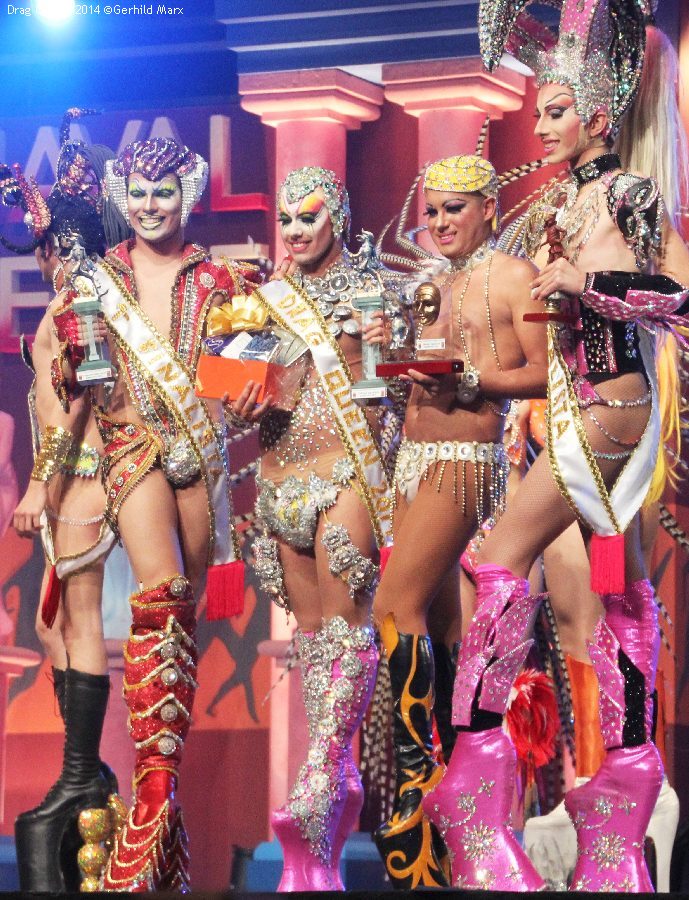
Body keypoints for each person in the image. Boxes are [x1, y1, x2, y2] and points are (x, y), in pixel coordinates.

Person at [424, 0, 689, 891]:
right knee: (620, 594)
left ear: (598, 116)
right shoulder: (562, 201)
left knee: (496, 561)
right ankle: (622, 804)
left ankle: (473, 777)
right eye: (537, 111)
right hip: (576, 410)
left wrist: (590, 283)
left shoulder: (626, 194)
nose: (536, 126)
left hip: (611, 412)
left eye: (555, 111)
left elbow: (677, 297)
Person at [53, 137, 255, 891]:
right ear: (122, 196)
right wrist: (70, 354)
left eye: (162, 192)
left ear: (186, 196)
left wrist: (247, 383)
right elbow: (68, 380)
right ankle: (153, 802)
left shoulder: (221, 278)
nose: (148, 206)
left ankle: (161, 806)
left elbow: (246, 379)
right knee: (160, 599)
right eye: (137, 192)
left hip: (199, 456)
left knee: (183, 624)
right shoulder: (96, 278)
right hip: (131, 449)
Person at [364, 154, 548, 889]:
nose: (439, 222)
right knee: (441, 628)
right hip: (412, 459)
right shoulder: (428, 283)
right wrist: (387, 362)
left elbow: (546, 370)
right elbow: (410, 381)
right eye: (432, 211)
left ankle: (418, 789)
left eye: (454, 208)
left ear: (487, 208)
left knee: (392, 606)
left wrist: (474, 381)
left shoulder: (513, 276)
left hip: (462, 462)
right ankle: (447, 809)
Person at [227, 166, 409, 891]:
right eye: (286, 219)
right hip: (278, 480)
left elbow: (403, 387)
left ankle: (320, 773)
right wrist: (235, 399)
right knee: (311, 641)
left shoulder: (375, 287)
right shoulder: (260, 301)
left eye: (309, 216)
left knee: (347, 628)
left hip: (346, 470)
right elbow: (236, 399)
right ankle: (329, 816)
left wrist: (387, 344)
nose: (296, 230)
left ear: (337, 214)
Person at [1, 110, 130, 892]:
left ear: (66, 244)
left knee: (77, 619)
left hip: (79, 475)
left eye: (45, 244)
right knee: (54, 622)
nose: (40, 255)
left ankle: (81, 774)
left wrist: (38, 487)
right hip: (68, 476)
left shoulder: (79, 302)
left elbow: (79, 404)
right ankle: (81, 770)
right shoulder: (71, 301)